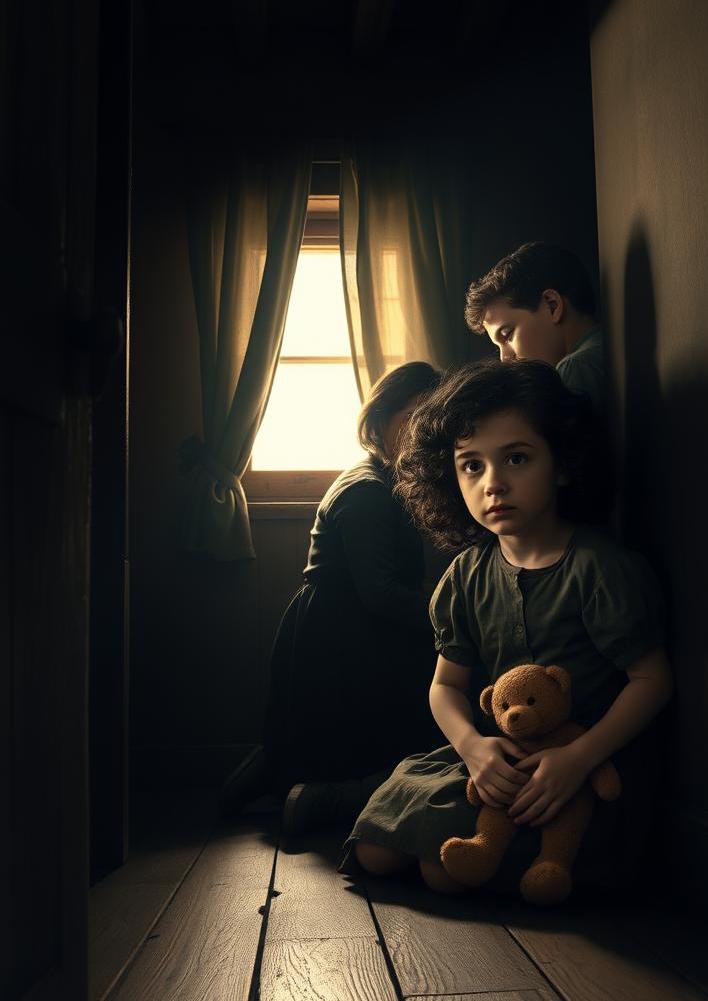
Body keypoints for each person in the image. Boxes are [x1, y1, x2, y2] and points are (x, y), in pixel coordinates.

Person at [342, 359, 672, 897]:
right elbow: (446, 685)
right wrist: (472, 745)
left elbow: (652, 681)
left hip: (577, 771)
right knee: (375, 850)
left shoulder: (598, 568)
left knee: (437, 870)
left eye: (516, 458)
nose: (493, 483)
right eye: (471, 465)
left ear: (561, 464)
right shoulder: (468, 573)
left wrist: (577, 758)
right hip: (497, 758)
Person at [220, 361, 444, 829]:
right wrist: (450, 613)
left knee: (313, 737)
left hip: (340, 621)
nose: (423, 431)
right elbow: (380, 593)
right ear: (381, 420)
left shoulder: (383, 479)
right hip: (344, 631)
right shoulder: (368, 492)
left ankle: (271, 772)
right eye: (413, 417)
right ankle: (313, 792)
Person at [465, 242, 606, 415]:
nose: (504, 359)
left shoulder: (575, 368)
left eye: (507, 335)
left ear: (552, 305)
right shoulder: (603, 348)